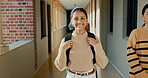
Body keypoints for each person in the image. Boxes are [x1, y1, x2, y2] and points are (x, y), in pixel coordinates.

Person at [54, 7, 108, 78]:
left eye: (82, 18)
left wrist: (96, 46)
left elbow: (103, 64)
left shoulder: (94, 38)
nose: (79, 21)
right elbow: (61, 67)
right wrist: (62, 50)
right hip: (72, 76)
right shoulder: (66, 40)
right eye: (76, 19)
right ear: (72, 21)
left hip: (90, 76)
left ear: (86, 20)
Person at [127, 4, 148, 78]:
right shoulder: (135, 33)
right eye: (147, 14)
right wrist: (143, 75)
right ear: (143, 15)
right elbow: (131, 56)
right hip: (136, 75)